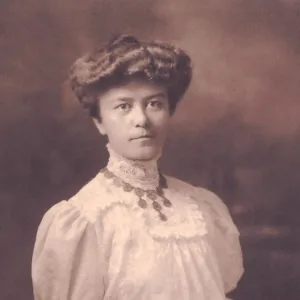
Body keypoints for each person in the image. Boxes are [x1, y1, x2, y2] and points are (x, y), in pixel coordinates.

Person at [31, 34, 244, 300]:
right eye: (123, 106)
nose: (141, 120)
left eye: (154, 104)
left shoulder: (201, 208)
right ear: (99, 122)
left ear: (170, 111)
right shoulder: (85, 220)